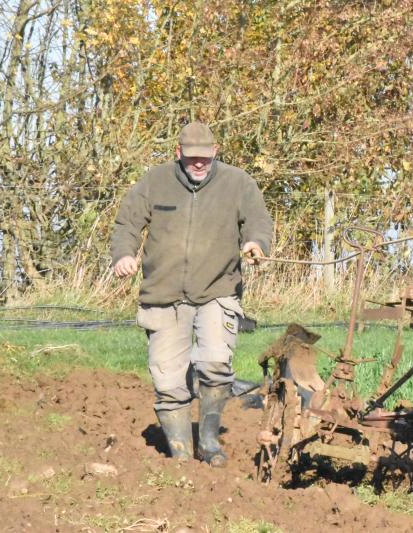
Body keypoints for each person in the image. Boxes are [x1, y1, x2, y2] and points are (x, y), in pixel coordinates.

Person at [110, 121, 273, 467]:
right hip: (164, 295)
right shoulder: (155, 182)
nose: (199, 164)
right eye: (191, 157)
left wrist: (256, 243)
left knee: (215, 364)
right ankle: (181, 454)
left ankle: (210, 442)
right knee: (169, 381)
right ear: (178, 154)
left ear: (215, 152)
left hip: (217, 289)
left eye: (205, 157)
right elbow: (127, 223)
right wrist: (124, 255)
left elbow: (258, 220)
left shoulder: (238, 183)